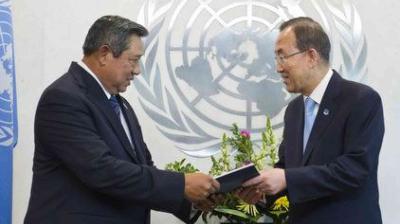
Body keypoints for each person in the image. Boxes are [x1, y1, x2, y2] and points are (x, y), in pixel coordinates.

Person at [24, 15, 220, 224]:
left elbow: (141, 171)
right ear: (104, 54)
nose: (138, 70)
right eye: (133, 60)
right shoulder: (63, 98)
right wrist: (181, 184)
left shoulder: (121, 105)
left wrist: (190, 200)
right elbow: (101, 170)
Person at [237, 17, 384, 224]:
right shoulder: (294, 110)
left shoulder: (361, 99)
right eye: (276, 59)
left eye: (283, 57)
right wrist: (263, 188)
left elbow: (355, 167)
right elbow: (289, 168)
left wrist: (286, 178)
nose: (278, 68)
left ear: (311, 56)